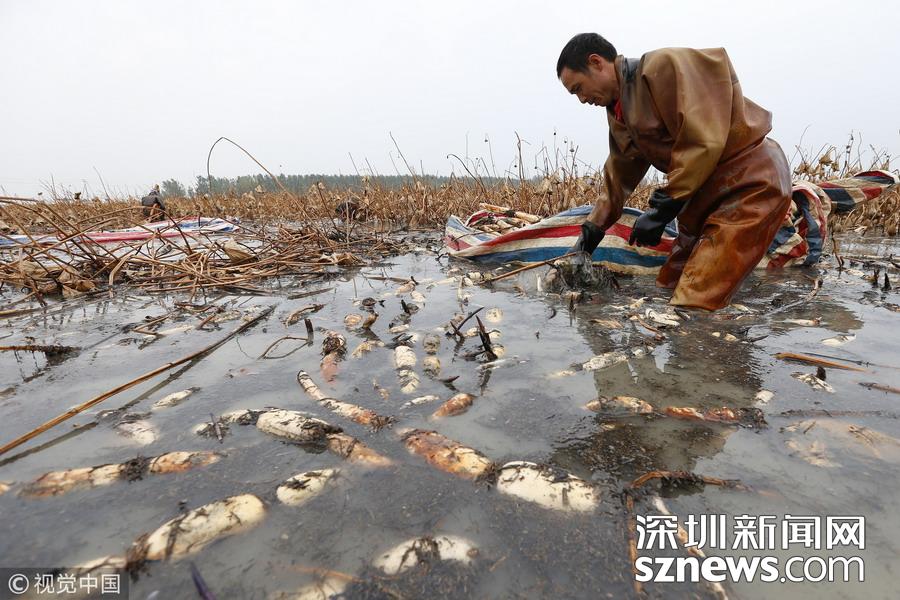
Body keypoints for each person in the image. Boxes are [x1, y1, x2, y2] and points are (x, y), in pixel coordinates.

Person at [558, 33, 792, 310]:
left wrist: (663, 209)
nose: (582, 99)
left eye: (579, 88)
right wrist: (590, 233)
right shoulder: (620, 110)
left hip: (749, 182)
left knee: (695, 299)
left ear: (596, 63)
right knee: (668, 284)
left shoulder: (664, 67)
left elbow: (704, 141)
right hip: (700, 195)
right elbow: (619, 172)